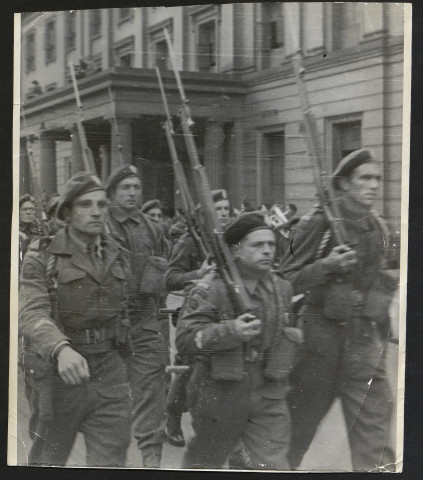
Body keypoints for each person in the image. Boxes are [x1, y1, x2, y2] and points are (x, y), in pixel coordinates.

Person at [280, 149, 398, 472]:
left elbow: (386, 273)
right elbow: (283, 281)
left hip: (362, 341)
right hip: (320, 339)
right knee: (296, 431)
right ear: (345, 184)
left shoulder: (379, 226)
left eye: (377, 178)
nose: (373, 185)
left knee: (375, 437)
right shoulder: (319, 222)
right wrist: (326, 266)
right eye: (365, 178)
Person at [19, 172, 132, 466]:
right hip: (59, 374)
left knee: (112, 459)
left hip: (108, 370)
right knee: (48, 459)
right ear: (67, 212)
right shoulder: (43, 258)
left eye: (102, 204)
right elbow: (31, 311)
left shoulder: (117, 254)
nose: (96, 211)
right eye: (85, 204)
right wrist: (61, 349)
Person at [176, 212, 302, 469]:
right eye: (257, 245)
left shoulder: (281, 287)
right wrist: (230, 331)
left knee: (273, 464)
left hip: (268, 392)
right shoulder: (212, 288)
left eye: (271, 244)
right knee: (206, 461)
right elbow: (185, 338)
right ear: (236, 250)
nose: (267, 251)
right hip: (220, 393)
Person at [105, 164, 169, 468]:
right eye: (125, 188)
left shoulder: (152, 228)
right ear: (112, 193)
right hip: (106, 321)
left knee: (151, 388)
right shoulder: (99, 225)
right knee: (108, 395)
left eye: (136, 187)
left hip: (144, 318)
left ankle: (151, 458)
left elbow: (165, 270)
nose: (132, 193)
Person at [164, 189, 231, 447]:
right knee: (186, 367)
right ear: (205, 213)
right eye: (219, 209)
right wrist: (197, 273)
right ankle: (172, 416)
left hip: (220, 312)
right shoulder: (190, 241)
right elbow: (170, 278)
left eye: (227, 209)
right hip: (192, 313)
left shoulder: (229, 239)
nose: (224, 214)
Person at [19, 194, 42, 268]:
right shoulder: (14, 229)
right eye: (25, 209)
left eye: (32, 209)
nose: (29, 212)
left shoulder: (41, 228)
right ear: (18, 211)